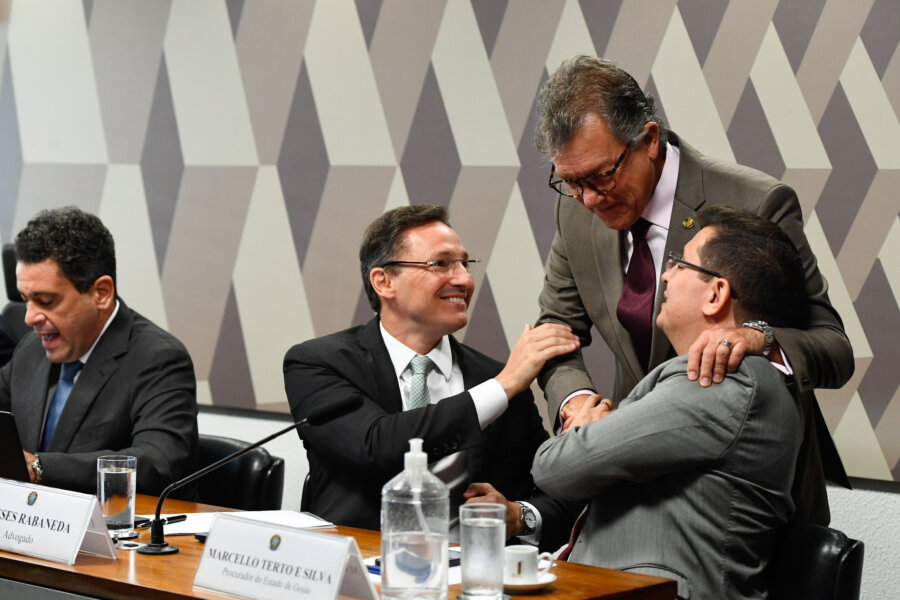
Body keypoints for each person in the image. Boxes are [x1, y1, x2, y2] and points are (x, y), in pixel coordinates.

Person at [533, 55, 852, 524]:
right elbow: (555, 331)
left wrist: (759, 337)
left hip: (744, 504)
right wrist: (577, 403)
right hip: (638, 497)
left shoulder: (757, 201)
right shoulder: (577, 212)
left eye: (602, 175)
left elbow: (833, 348)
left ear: (649, 139)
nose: (589, 199)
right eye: (571, 183)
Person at [533, 206, 807, 599]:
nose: (665, 274)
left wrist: (580, 434)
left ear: (716, 294)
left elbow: (554, 470)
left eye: (680, 265)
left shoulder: (723, 381)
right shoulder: (732, 378)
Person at [284, 205, 579, 549]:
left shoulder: (494, 378)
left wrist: (520, 516)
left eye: (464, 264)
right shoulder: (318, 362)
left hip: (470, 578)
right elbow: (377, 447)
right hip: (355, 574)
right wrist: (503, 387)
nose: (464, 280)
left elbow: (557, 489)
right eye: (440, 264)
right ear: (384, 281)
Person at [0, 206, 199, 495]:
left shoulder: (159, 359)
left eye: (45, 300)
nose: (29, 317)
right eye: (25, 300)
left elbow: (158, 463)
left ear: (101, 293)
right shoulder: (31, 348)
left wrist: (39, 467)